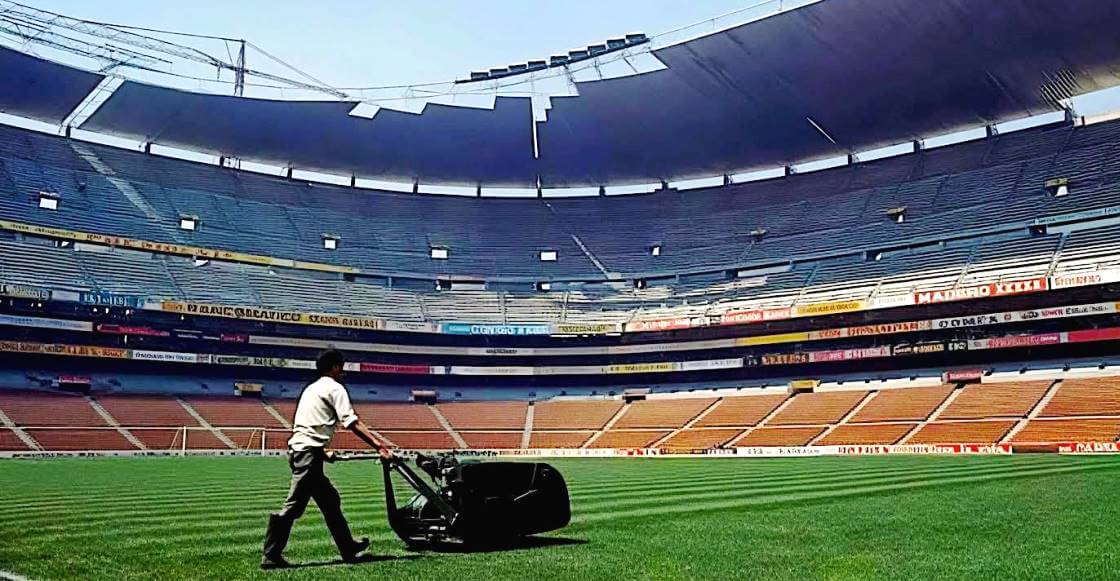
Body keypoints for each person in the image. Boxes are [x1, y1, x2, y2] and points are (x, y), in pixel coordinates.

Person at [261, 349, 394, 570]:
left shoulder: (311, 389)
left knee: (331, 501)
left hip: (303, 452)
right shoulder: (335, 388)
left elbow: (307, 427)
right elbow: (351, 422)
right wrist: (380, 445)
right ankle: (271, 554)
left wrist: (323, 452)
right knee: (293, 507)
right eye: (341, 366)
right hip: (308, 456)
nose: (342, 371)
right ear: (334, 366)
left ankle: (348, 547)